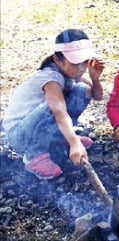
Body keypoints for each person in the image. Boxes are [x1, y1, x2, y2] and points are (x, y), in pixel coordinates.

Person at [2, 29, 105, 179]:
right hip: (19, 134)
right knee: (53, 106)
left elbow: (96, 95)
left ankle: (57, 138)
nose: (81, 68)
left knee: (82, 90)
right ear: (57, 59)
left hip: (36, 126)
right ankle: (34, 155)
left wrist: (95, 78)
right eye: (75, 63)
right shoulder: (50, 78)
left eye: (84, 62)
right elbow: (60, 114)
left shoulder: (72, 73)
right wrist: (74, 142)